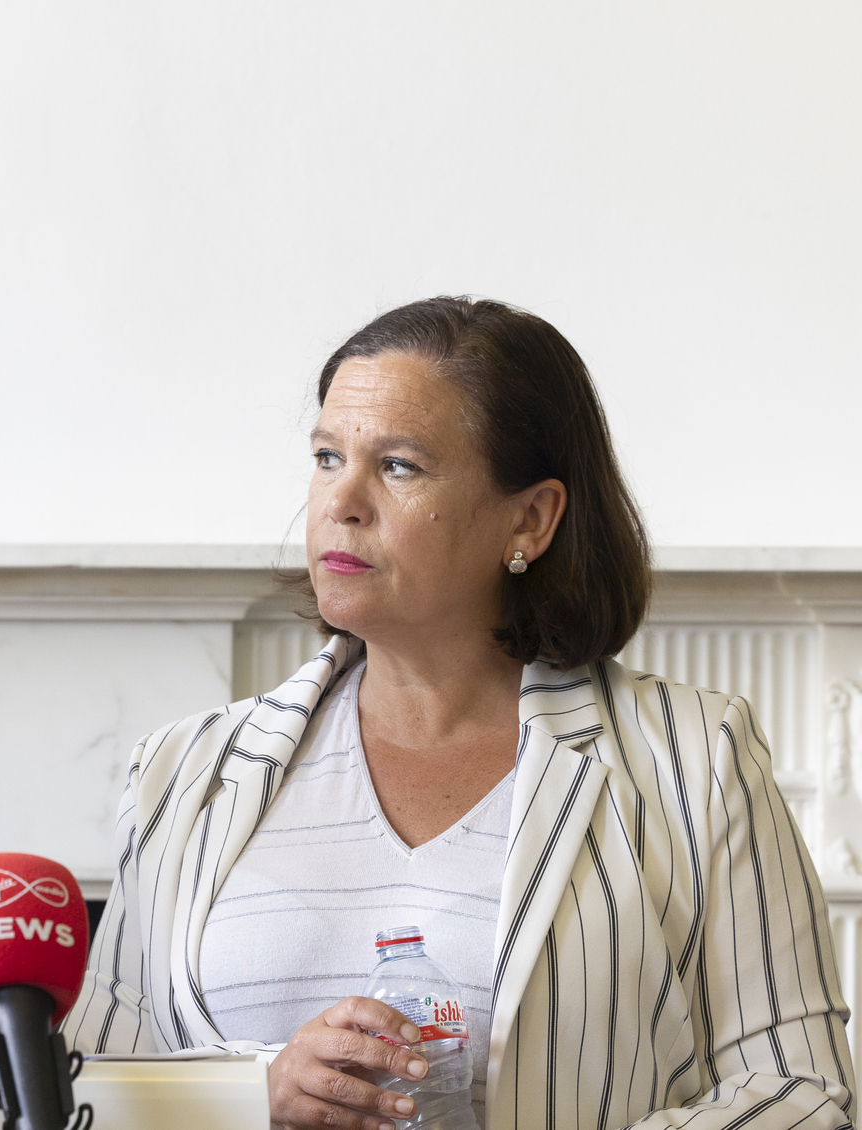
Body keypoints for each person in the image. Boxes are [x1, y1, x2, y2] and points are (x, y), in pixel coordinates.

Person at [63, 297, 853, 1130]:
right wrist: (252, 1099)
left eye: (399, 466)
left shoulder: (695, 759)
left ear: (530, 519)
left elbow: (799, 1095)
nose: (340, 501)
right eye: (328, 457)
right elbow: (90, 1094)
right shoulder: (182, 771)